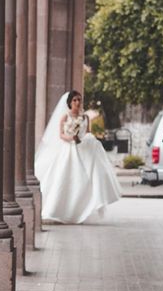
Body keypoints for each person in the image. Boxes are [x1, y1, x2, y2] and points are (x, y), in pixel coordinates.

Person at [35, 90, 120, 223]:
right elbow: (61, 135)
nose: (77, 102)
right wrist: (71, 138)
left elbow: (87, 133)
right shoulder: (65, 117)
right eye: (74, 100)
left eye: (79, 100)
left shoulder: (85, 117)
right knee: (66, 177)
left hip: (83, 148)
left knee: (86, 178)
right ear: (70, 102)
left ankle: (81, 209)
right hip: (69, 148)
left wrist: (85, 140)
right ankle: (59, 210)